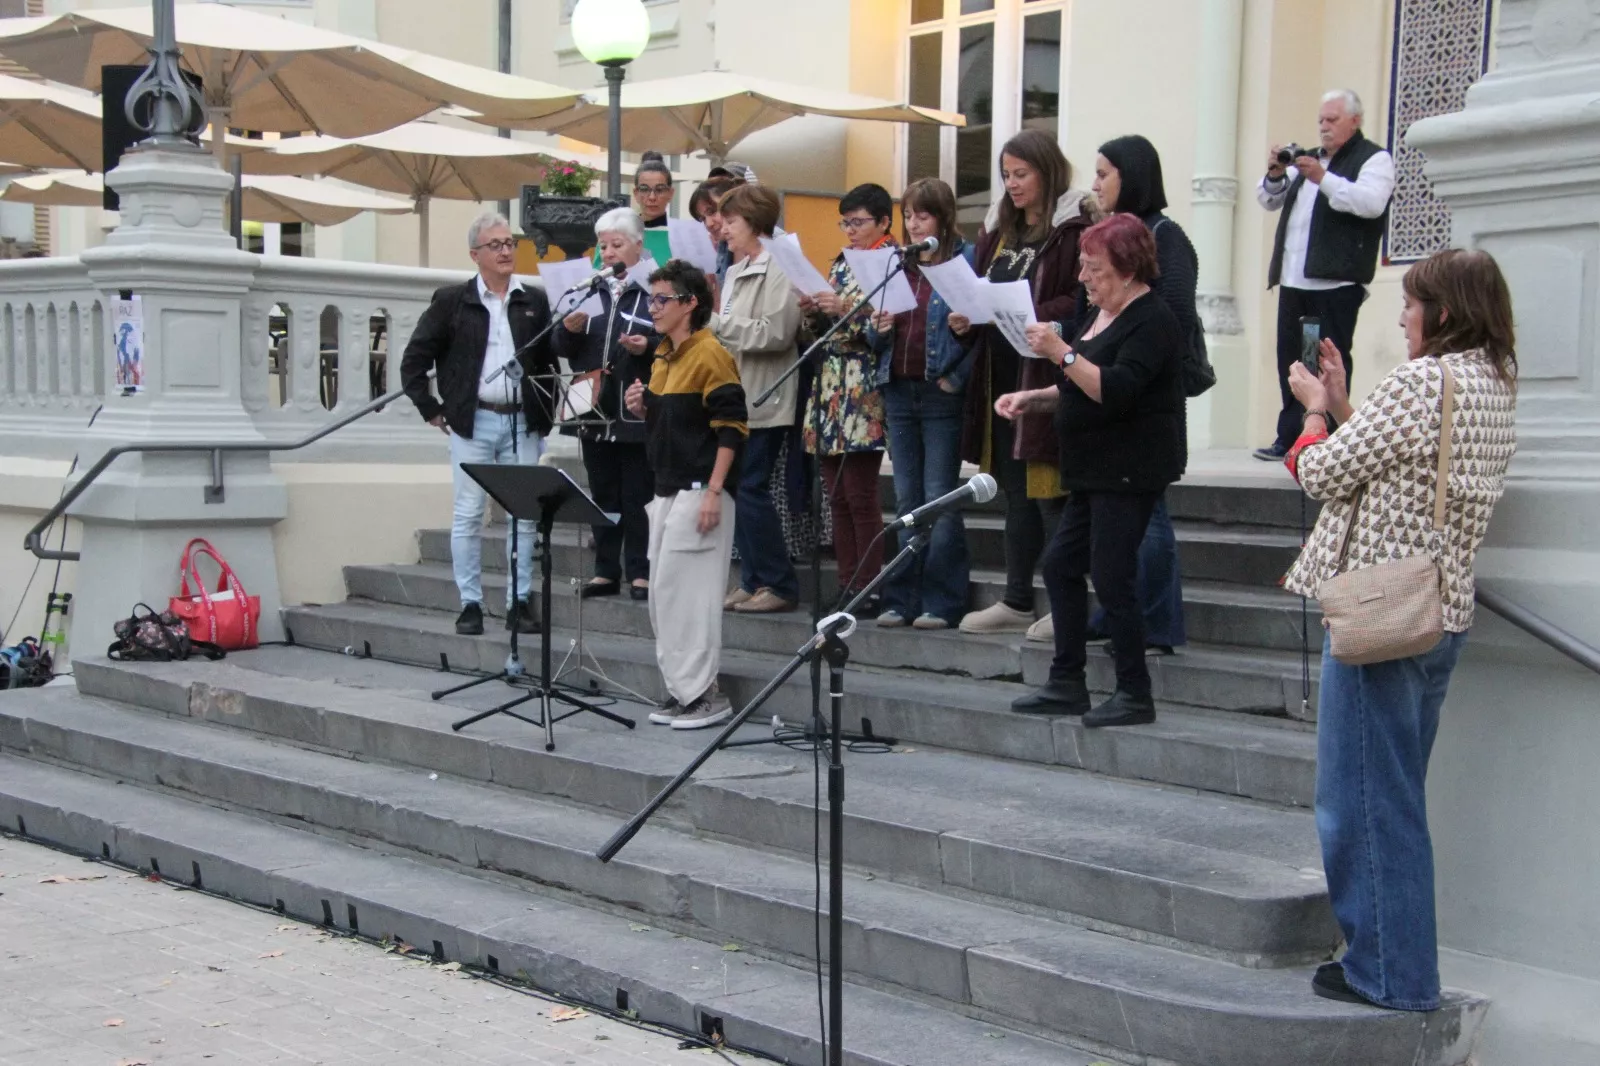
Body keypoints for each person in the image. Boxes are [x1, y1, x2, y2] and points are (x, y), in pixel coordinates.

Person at [1282, 248, 1517, 1010]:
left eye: (1412, 304)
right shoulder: (1490, 383)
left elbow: (1320, 474)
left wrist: (1314, 410)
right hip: (1440, 612)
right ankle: (1394, 964)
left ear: (1443, 312)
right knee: (1394, 797)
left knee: (1362, 803)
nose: (1402, 316)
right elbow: (1407, 464)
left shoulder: (1422, 379)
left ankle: (1388, 971)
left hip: (1382, 618)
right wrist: (1350, 404)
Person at [1007, 214, 1186, 727]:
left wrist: (1060, 353)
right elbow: (1078, 383)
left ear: (1129, 270)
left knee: (1112, 576)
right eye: (1083, 267)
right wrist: (1033, 398)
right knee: (1061, 565)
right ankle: (1068, 681)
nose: (1083, 278)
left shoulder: (1154, 318)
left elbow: (1115, 387)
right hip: (1091, 467)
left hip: (1131, 466)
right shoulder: (1100, 313)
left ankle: (1135, 692)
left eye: (1094, 268)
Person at [952, 129, 1097, 637]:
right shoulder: (1000, 232)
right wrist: (969, 317)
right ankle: (1016, 600)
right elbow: (983, 290)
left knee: (1049, 492)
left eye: (1021, 174)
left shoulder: (1074, 229)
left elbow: (1082, 304)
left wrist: (1027, 311)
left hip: (1046, 374)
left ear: (1047, 172)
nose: (1011, 185)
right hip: (1001, 372)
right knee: (1014, 493)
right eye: (1006, 175)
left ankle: (1065, 604)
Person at [400, 212, 557, 637]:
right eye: (496, 245)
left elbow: (548, 359)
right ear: (475, 255)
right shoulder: (453, 301)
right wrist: (430, 407)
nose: (506, 251)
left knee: (523, 516)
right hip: (474, 421)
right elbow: (414, 359)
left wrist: (546, 413)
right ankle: (470, 602)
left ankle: (518, 601)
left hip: (522, 421)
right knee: (468, 513)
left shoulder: (533, 299)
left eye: (510, 243)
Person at [624, 260, 749, 730]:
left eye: (662, 300)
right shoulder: (663, 356)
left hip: (701, 489)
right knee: (664, 595)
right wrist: (645, 408)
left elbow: (731, 428)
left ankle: (704, 694)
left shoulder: (711, 353)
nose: (653, 308)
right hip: (667, 489)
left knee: (689, 596)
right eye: (651, 299)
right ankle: (682, 689)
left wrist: (716, 490)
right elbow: (674, 424)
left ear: (690, 303)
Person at [1087, 135, 1194, 654]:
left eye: (1105, 172)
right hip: (1110, 402)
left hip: (1147, 401)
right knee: (1120, 522)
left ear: (1133, 176)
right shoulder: (1110, 238)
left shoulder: (1166, 238)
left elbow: (1165, 315)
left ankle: (1156, 622)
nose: (1096, 183)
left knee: (1150, 516)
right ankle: (1119, 613)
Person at [1254, 88, 1396, 461]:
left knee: (1328, 360)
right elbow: (1268, 200)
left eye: (1332, 120)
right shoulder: (1309, 161)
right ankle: (1290, 435)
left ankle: (1329, 435)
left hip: (1334, 284)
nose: (1324, 127)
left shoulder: (1373, 159)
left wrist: (1323, 179)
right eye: (1321, 120)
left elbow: (1370, 203)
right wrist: (1274, 174)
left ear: (1355, 121)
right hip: (1294, 280)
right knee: (1294, 358)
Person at [865, 177, 975, 630]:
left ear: (943, 218)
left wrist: (956, 377)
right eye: (908, 215)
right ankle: (901, 598)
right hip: (898, 389)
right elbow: (873, 338)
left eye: (922, 215)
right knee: (907, 498)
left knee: (938, 499)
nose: (912, 224)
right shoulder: (895, 263)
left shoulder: (962, 260)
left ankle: (942, 601)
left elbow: (978, 329)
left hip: (937, 390)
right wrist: (878, 326)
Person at [554, 207, 658, 602]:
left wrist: (647, 345)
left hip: (634, 401)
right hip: (592, 404)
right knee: (602, 490)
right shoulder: (587, 290)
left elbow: (673, 338)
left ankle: (640, 571)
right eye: (603, 246)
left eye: (617, 244)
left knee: (638, 492)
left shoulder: (652, 289)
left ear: (637, 245)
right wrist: (567, 329)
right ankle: (604, 570)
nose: (609, 253)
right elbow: (563, 349)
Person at [799, 183, 894, 611]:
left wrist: (842, 311)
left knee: (860, 493)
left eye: (858, 222)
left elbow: (882, 328)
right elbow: (828, 327)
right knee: (835, 494)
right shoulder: (841, 262)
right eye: (846, 222)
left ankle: (869, 583)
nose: (850, 230)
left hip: (863, 383)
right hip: (830, 384)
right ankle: (846, 581)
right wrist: (815, 313)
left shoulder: (890, 261)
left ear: (884, 222)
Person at [714, 184, 803, 614]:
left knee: (751, 487)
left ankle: (779, 582)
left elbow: (776, 332)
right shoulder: (734, 270)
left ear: (754, 221)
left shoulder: (780, 265)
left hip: (766, 395)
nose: (723, 229)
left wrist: (714, 325)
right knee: (736, 488)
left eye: (731, 221)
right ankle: (752, 579)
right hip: (734, 396)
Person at [631, 150, 675, 265]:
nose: (652, 197)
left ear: (670, 193)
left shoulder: (683, 236)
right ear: (636, 193)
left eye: (659, 189)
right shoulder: (619, 233)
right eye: (644, 189)